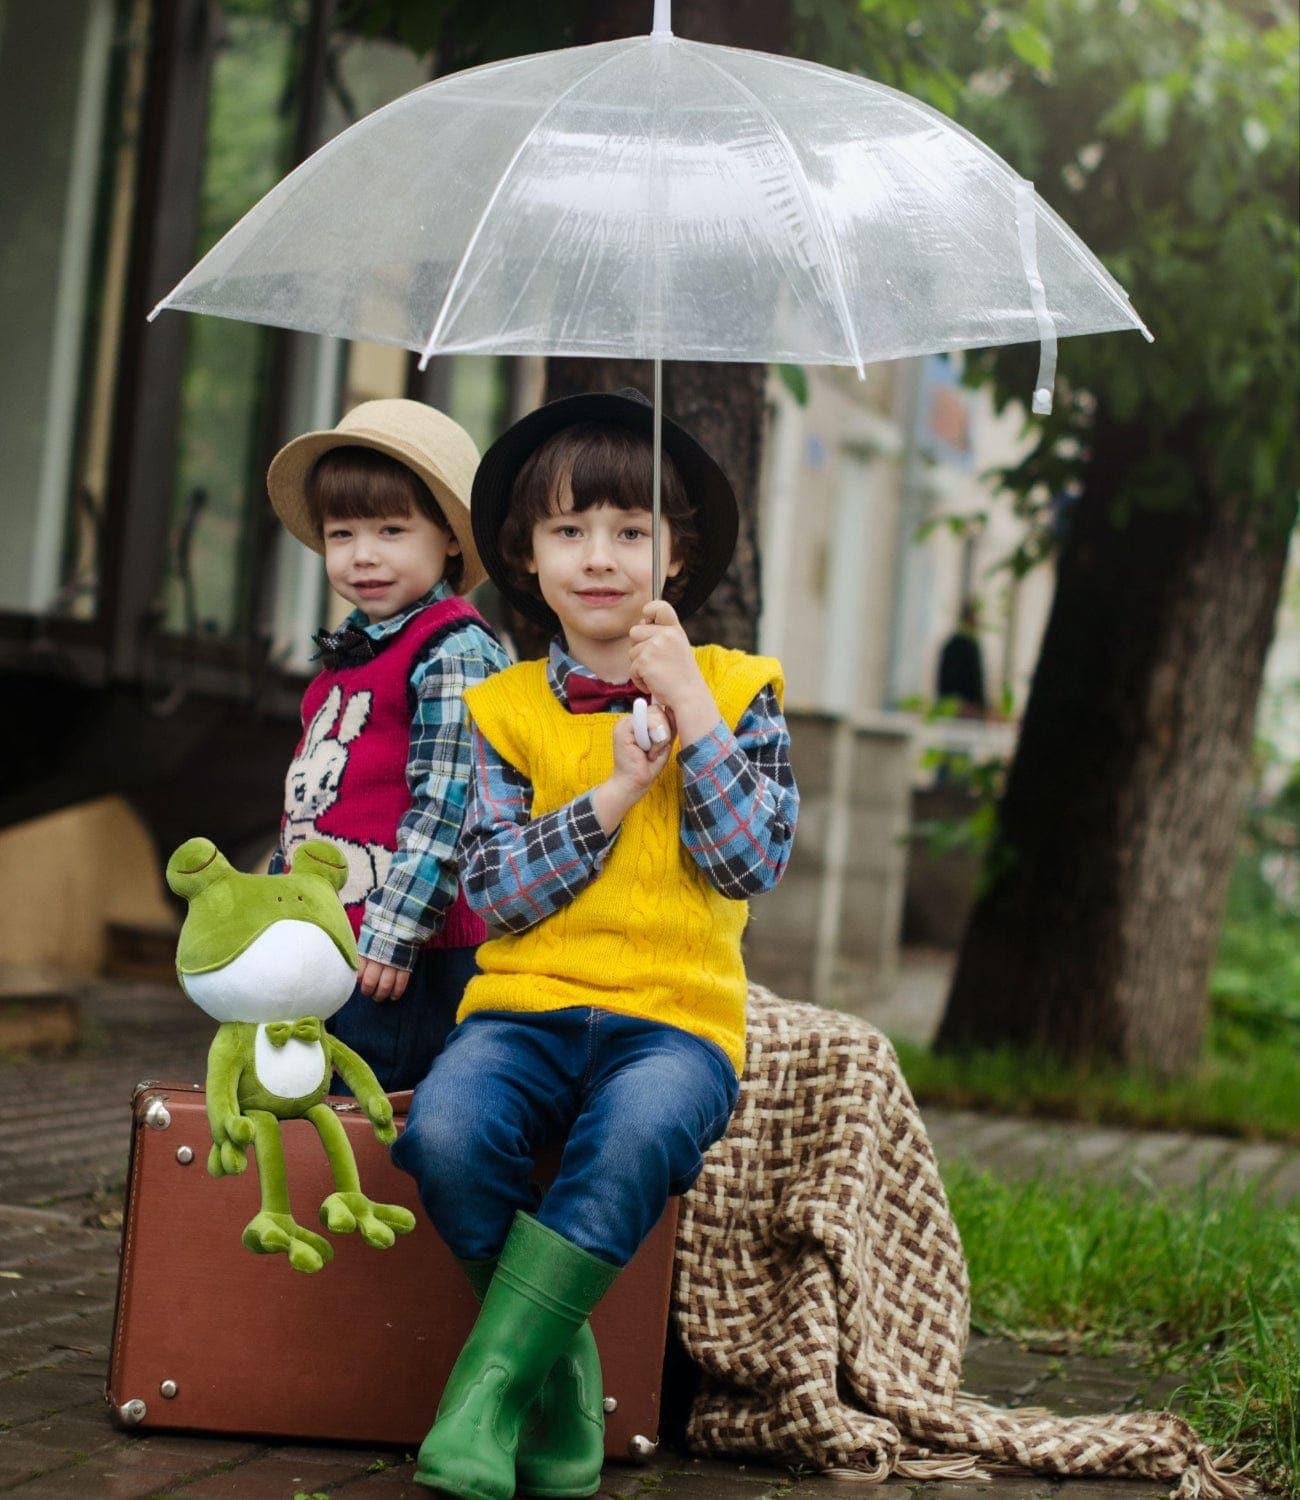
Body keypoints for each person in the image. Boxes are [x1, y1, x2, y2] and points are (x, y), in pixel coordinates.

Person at [391, 389, 800, 1498]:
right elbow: (496, 891)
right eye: (569, 531)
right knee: (445, 1131)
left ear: (679, 550)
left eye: (631, 530)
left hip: (674, 1022)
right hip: (522, 1009)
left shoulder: (737, 689)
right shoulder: (505, 707)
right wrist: (618, 788)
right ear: (525, 555)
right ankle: (558, 1372)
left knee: (633, 1139)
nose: (600, 557)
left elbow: (750, 862)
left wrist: (691, 716)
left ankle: (481, 1399)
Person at [266, 399, 509, 1092]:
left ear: (450, 540)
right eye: (341, 533)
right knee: (308, 1100)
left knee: (374, 1107)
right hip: (325, 939)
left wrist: (397, 933)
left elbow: (448, 806)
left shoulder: (451, 649)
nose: (362, 554)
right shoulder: (351, 652)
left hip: (406, 955)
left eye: (392, 530)